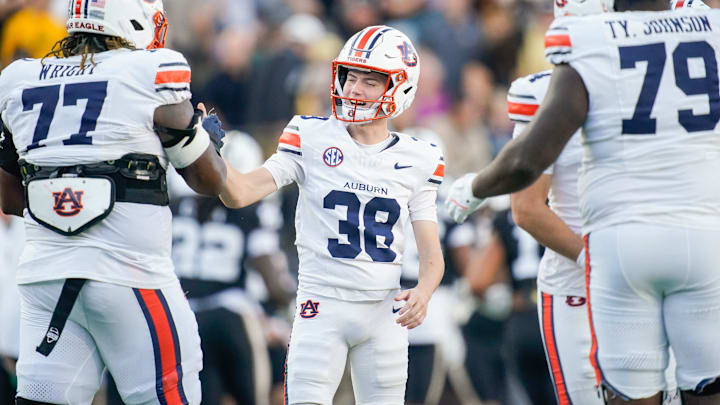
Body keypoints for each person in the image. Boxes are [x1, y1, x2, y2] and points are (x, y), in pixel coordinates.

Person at [445, 0, 720, 404]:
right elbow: (529, 205)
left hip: (621, 248)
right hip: (701, 241)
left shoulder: (588, 43)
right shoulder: (709, 28)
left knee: (630, 393)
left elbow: (526, 160)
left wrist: (476, 187)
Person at [0, 0, 227, 403]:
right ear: (135, 18)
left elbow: (11, 198)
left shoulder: (19, 78)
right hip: (130, 276)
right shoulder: (149, 71)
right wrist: (203, 138)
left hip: (44, 280)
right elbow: (210, 181)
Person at [219, 25, 445, 405]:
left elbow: (432, 257)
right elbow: (240, 192)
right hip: (319, 305)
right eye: (349, 76)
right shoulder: (310, 136)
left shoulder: (419, 158)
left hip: (384, 313)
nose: (354, 89)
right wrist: (199, 153)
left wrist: (423, 292)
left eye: (370, 82)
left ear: (401, 87)